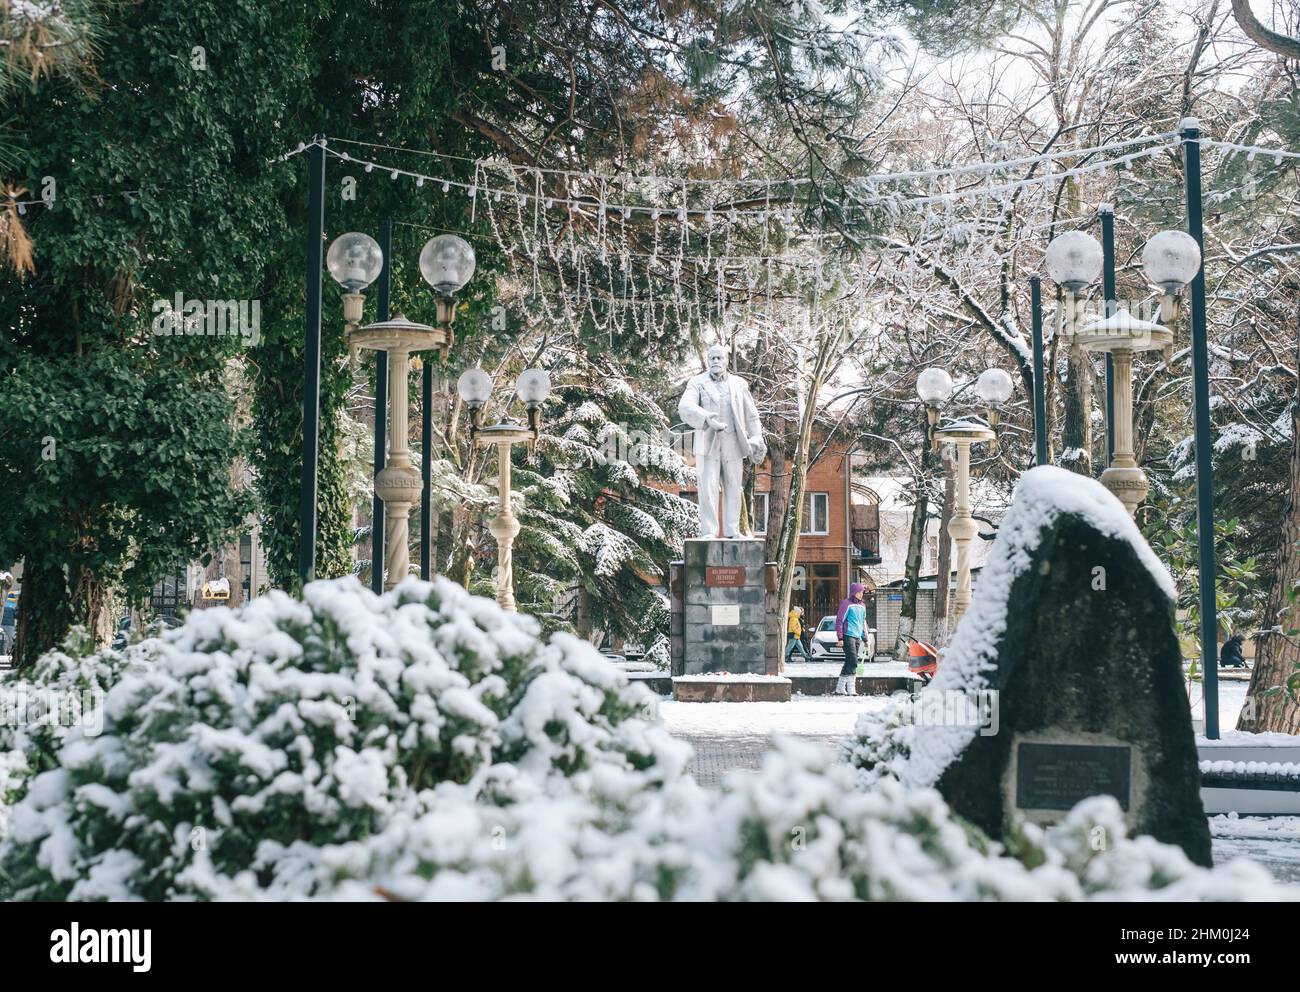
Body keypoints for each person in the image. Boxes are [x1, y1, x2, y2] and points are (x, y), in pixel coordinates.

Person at [677, 345, 766, 539]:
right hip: (707, 443)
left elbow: (752, 415)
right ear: (708, 360)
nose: (716, 361)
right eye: (712, 358)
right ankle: (709, 532)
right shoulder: (697, 382)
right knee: (707, 487)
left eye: (719, 358)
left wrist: (756, 436)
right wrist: (706, 417)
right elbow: (685, 406)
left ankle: (733, 531)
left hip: (733, 442)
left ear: (727, 361)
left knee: (734, 486)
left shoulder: (739, 384)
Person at [834, 582, 867, 696]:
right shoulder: (846, 604)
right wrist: (840, 637)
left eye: (862, 592)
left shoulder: (862, 606)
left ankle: (840, 688)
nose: (861, 594)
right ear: (854, 593)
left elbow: (863, 623)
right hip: (848, 635)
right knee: (853, 661)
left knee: (849, 662)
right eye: (859, 592)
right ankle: (851, 688)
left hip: (857, 637)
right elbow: (839, 620)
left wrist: (865, 638)